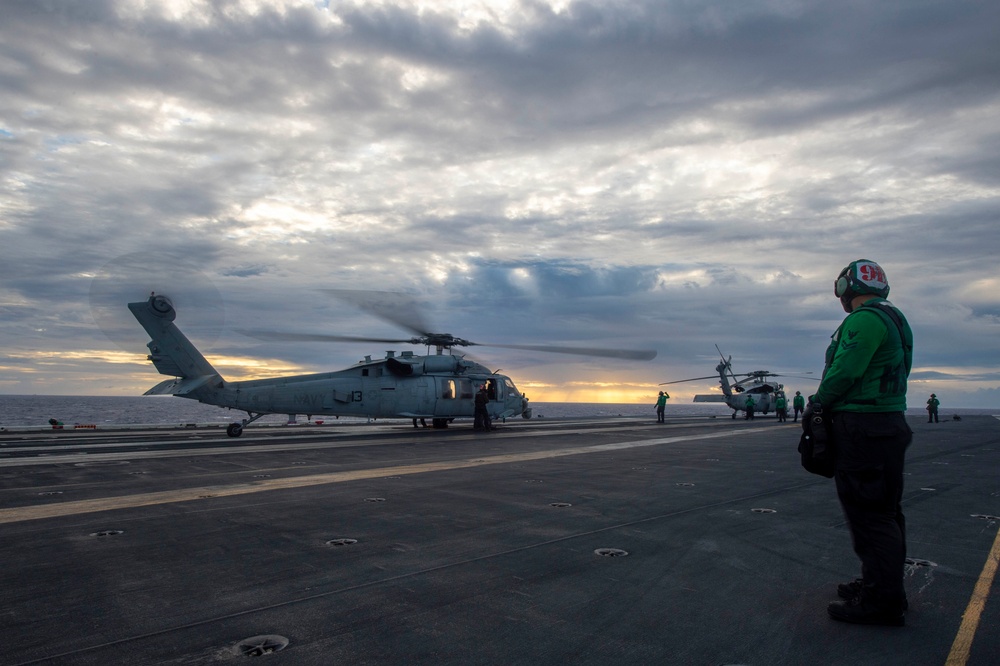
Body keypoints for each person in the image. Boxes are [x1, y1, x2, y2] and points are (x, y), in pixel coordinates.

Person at [812, 259, 913, 627]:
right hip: (887, 424)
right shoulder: (895, 318)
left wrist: (818, 401)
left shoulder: (864, 319)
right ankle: (882, 585)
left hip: (864, 428)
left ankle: (881, 602)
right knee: (886, 513)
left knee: (869, 516)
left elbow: (847, 370)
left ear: (847, 287)